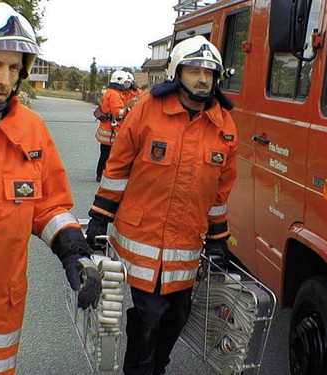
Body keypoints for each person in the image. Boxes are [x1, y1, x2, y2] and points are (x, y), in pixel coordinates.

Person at [0, 3, 102, 374]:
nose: (4, 79)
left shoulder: (32, 131)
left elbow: (49, 207)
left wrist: (74, 253)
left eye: (14, 68)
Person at [85, 35, 238, 375]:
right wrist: (98, 218)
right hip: (143, 239)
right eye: (194, 70)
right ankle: (139, 370)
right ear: (176, 72)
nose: (202, 78)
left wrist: (218, 240)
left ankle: (158, 366)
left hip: (185, 245)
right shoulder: (148, 110)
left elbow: (219, 192)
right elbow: (118, 168)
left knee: (176, 317)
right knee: (148, 316)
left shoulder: (224, 126)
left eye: (209, 73)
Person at [94, 70, 131, 182]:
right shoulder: (114, 95)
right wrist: (129, 110)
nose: (126, 86)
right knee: (108, 155)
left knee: (104, 154)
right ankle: (102, 175)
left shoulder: (110, 92)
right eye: (125, 83)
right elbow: (118, 113)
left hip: (106, 128)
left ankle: (100, 174)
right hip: (110, 130)